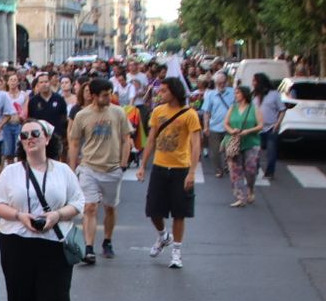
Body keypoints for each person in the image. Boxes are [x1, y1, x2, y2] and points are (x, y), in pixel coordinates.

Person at [0, 120, 85, 301]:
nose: (29, 139)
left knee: (56, 298)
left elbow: (78, 202)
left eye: (34, 134)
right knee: (21, 295)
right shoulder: (11, 172)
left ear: (46, 139)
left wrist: (56, 216)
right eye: (24, 136)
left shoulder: (62, 171)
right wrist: (20, 216)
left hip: (53, 242)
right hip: (16, 241)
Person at [135, 78, 202, 269]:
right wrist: (142, 165)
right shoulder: (157, 112)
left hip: (181, 167)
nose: (160, 94)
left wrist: (192, 172)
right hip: (160, 166)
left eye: (164, 91)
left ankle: (177, 251)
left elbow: (196, 143)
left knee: (179, 212)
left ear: (174, 91)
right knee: (153, 210)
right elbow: (151, 140)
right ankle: (163, 236)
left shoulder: (190, 114)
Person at [67, 78, 131, 264]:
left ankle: (108, 240)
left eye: (110, 94)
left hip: (112, 168)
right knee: (90, 207)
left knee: (110, 207)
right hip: (89, 167)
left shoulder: (118, 113)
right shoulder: (82, 115)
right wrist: (72, 167)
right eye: (104, 95)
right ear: (94, 96)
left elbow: (126, 139)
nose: (108, 97)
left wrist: (123, 163)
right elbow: (75, 142)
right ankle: (88, 247)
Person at [224, 85, 264, 206]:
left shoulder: (253, 108)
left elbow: (261, 125)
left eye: (238, 93)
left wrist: (248, 131)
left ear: (244, 95)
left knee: (250, 169)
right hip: (235, 143)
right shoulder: (233, 108)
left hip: (251, 142)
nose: (235, 95)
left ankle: (251, 189)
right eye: (235, 93)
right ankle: (240, 197)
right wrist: (231, 131)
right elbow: (225, 123)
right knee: (235, 171)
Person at [252, 73, 286, 184]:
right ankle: (255, 169)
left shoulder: (274, 94)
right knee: (255, 151)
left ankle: (269, 172)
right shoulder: (254, 95)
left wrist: (277, 123)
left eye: (254, 81)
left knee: (271, 152)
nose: (252, 83)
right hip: (257, 128)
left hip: (271, 127)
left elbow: (282, 109)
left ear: (260, 82)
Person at [199, 73, 234, 181]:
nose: (222, 85)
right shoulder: (210, 95)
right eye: (219, 83)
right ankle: (218, 169)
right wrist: (206, 127)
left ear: (226, 82)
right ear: (215, 84)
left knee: (230, 150)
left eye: (223, 82)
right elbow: (206, 112)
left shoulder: (233, 92)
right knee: (215, 151)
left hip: (230, 127)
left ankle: (227, 165)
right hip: (214, 127)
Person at [27, 74, 69, 158]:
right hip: (39, 136)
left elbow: (64, 118)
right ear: (37, 85)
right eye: (41, 82)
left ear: (49, 83)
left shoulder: (59, 99)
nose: (44, 84)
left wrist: (64, 136)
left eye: (46, 82)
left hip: (56, 136)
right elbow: (31, 120)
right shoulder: (33, 101)